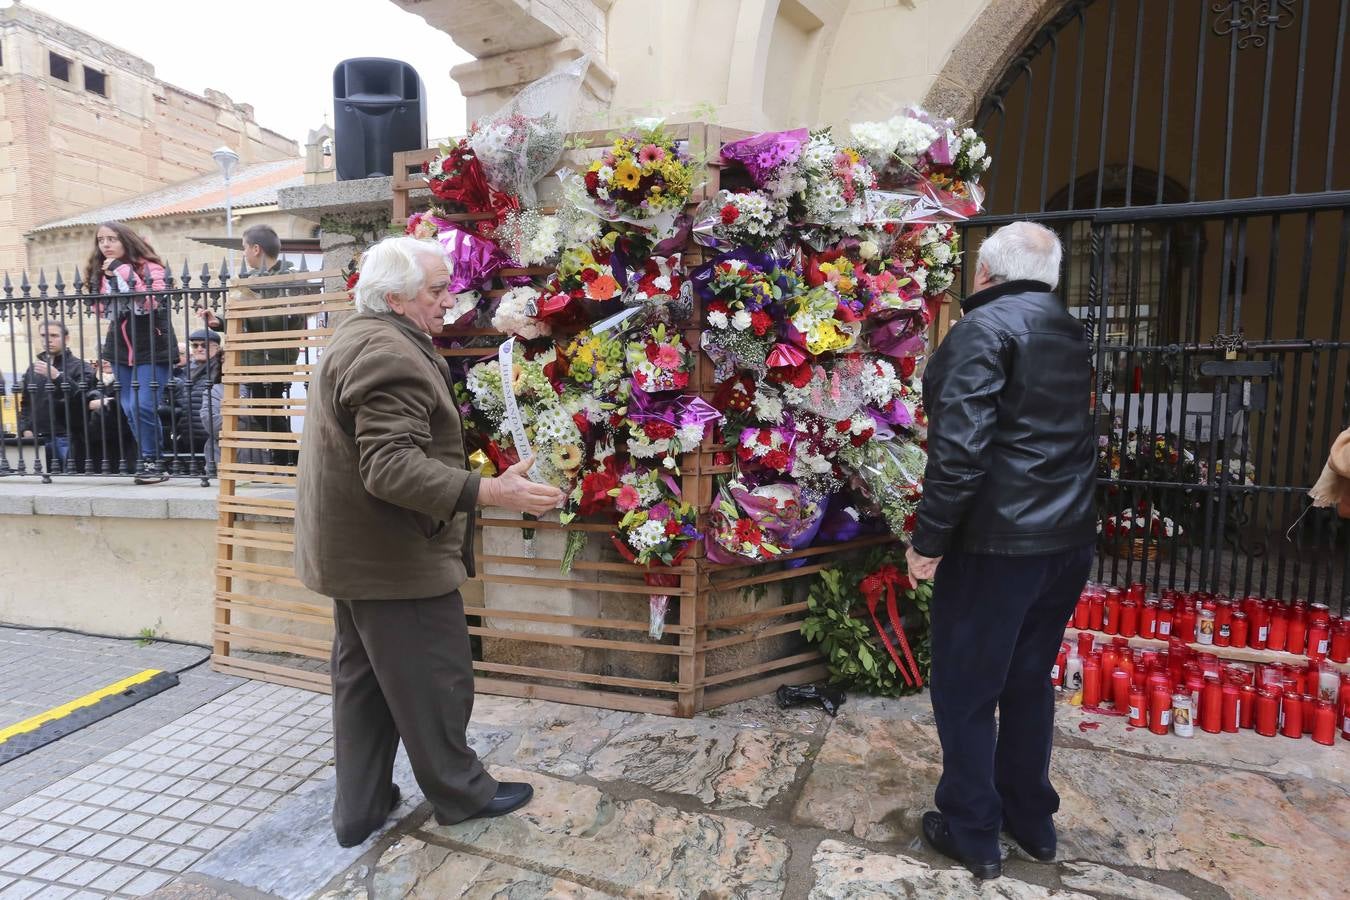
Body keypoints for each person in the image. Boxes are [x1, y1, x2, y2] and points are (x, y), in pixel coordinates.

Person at [294, 235, 565, 848]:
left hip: (353, 555)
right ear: (395, 297)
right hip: (393, 560)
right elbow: (389, 469)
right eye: (438, 291)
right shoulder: (389, 353)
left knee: (363, 686)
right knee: (438, 678)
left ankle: (359, 810)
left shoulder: (360, 334)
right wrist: (491, 492)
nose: (450, 301)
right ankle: (460, 792)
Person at [906, 221, 1096, 880]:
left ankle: (972, 828)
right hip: (1066, 539)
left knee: (964, 685)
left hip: (999, 543)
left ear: (984, 273)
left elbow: (959, 450)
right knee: (1025, 679)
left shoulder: (981, 332)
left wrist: (929, 541)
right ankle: (1030, 818)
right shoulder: (1069, 332)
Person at [198, 224, 306, 466]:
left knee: (268, 410)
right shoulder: (255, 280)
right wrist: (220, 322)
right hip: (258, 356)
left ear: (256, 249)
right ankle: (287, 458)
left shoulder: (285, 278)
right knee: (264, 410)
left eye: (245, 248)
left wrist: (249, 302)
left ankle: (290, 459)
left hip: (271, 357)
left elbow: (277, 320)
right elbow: (252, 320)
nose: (244, 253)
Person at [87, 221, 179, 484]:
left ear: (126, 241)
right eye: (101, 240)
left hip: (153, 347)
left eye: (112, 239)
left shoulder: (150, 268)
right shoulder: (102, 271)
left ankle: (153, 461)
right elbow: (102, 310)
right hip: (120, 350)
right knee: (129, 407)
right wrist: (105, 280)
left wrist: (123, 271)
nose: (105, 244)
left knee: (143, 405)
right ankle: (152, 458)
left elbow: (151, 302)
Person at [17, 319, 95, 473]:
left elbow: (82, 398)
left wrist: (57, 377)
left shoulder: (80, 367)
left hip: (66, 436)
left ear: (66, 338)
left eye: (54, 335)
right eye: (44, 335)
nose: (48, 340)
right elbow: (26, 403)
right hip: (37, 437)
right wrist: (25, 428)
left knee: (69, 481)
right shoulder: (33, 369)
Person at [165, 328, 223, 462]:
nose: (199, 349)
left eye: (204, 345)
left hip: (209, 434)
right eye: (195, 345)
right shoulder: (186, 372)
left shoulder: (218, 371)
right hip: (188, 434)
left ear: (217, 348)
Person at [77, 358, 141, 475]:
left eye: (109, 359)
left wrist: (106, 405)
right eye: (102, 359)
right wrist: (90, 404)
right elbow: (74, 406)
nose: (105, 362)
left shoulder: (131, 380)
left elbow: (128, 409)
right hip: (90, 444)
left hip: (122, 443)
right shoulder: (88, 381)